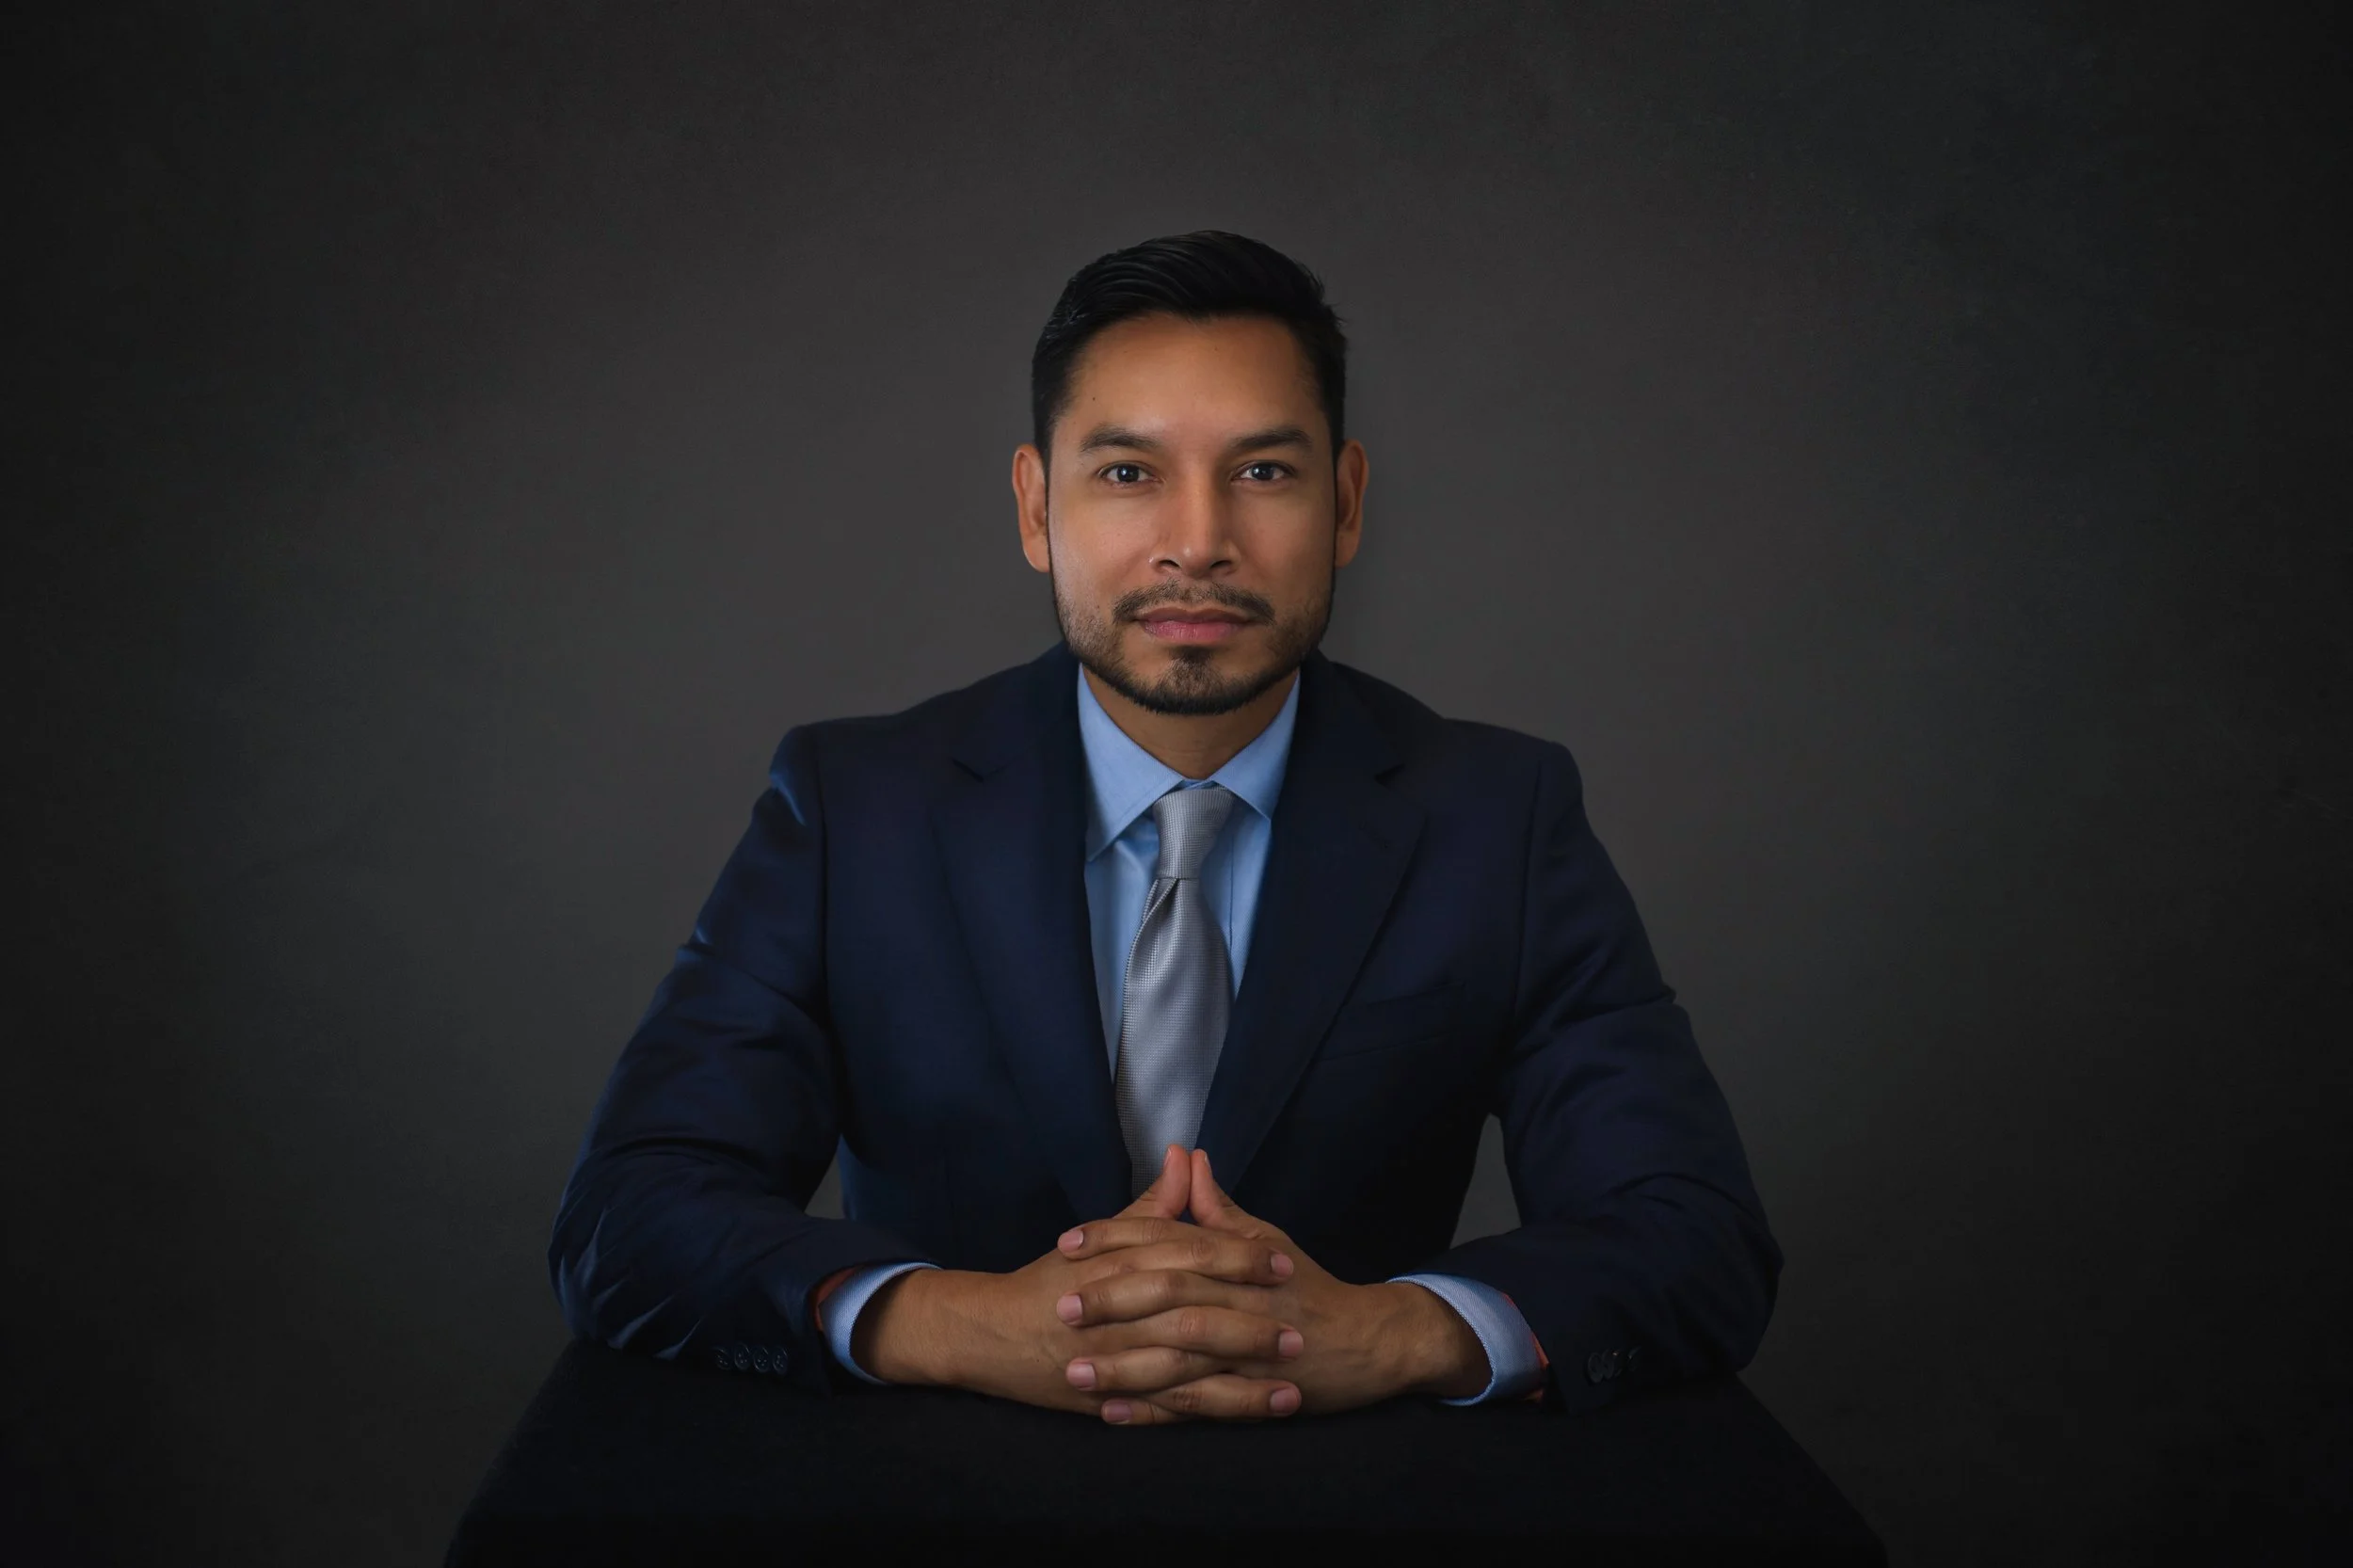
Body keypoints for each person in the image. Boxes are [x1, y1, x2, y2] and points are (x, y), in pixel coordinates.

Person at [549, 231, 1780, 1424]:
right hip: (935, 1502)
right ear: (1038, 507)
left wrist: (1384, 1331)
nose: (1198, 541)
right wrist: (960, 1322)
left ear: (1346, 504)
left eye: (1263, 470)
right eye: (1128, 472)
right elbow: (630, 1211)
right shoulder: (852, 806)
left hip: (1355, 1500)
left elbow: (1695, 1231)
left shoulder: (1495, 817)